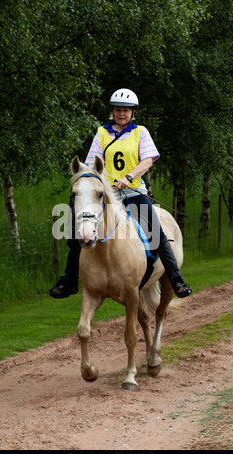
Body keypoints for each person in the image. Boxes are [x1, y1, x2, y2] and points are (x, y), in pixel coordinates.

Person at [49, 88, 192, 299]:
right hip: (106, 197)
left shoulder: (140, 132)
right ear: (113, 112)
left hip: (133, 193)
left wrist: (128, 177)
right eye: (117, 110)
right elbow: (91, 165)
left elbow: (147, 160)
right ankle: (69, 281)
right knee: (77, 232)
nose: (121, 114)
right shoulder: (102, 133)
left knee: (156, 233)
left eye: (125, 110)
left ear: (132, 112)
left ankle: (176, 279)